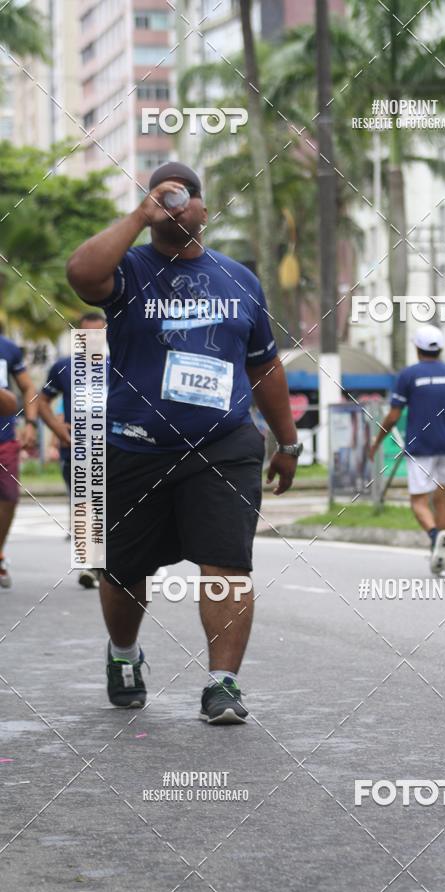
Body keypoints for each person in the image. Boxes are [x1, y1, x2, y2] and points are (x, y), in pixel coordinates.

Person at [66, 161, 301, 724]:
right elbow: (80, 274)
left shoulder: (240, 280)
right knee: (124, 573)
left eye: (186, 194)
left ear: (204, 207)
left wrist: (287, 444)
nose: (176, 204)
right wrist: (140, 214)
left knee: (227, 563)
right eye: (162, 196)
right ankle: (124, 655)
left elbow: (264, 366)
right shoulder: (127, 270)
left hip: (222, 444)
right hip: (134, 447)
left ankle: (223, 684)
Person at [370, 324, 445, 575]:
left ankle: (433, 537)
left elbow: (393, 417)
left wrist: (376, 442)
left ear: (417, 349)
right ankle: (440, 554)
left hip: (420, 447)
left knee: (419, 502)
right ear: (440, 349)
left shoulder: (408, 376)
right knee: (442, 500)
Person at [38, 311, 107, 589]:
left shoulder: (121, 365)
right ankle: (91, 564)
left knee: (110, 508)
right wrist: (57, 429)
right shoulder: (64, 368)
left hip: (115, 449)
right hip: (76, 451)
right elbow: (41, 401)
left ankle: (103, 562)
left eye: (97, 334)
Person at [0, 327, 38, 588]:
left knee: (9, 496)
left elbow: (27, 388)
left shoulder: (8, 348)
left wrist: (31, 423)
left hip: (5, 437)